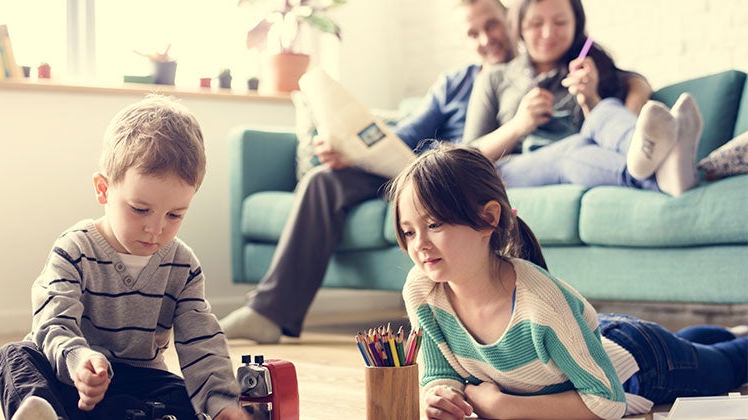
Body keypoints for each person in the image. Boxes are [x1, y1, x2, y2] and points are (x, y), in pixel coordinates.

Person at [219, 0, 653, 345]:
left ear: (511, 20)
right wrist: (349, 150)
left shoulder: (532, 76)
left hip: (455, 181)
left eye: (492, 25)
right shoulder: (456, 83)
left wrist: (632, 93)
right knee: (323, 181)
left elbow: (619, 80)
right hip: (411, 172)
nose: (486, 38)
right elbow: (402, 137)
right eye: (473, 33)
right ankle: (268, 312)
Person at [389, 144, 747, 420]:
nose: (419, 245)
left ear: (488, 219)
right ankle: (722, 333)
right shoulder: (422, 291)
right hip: (590, 341)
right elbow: (440, 371)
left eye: (434, 224)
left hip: (642, 362)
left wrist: (504, 407)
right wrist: (441, 395)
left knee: (728, 365)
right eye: (408, 231)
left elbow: (606, 401)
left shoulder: (542, 304)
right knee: (693, 346)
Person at [0, 96, 248, 420]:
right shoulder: (74, 250)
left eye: (175, 215)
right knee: (13, 356)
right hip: (70, 377)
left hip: (140, 381)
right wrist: (80, 361)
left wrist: (222, 404)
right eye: (140, 209)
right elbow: (53, 323)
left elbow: (202, 342)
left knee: (183, 395)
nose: (155, 229)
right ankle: (43, 414)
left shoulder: (183, 267)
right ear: (103, 189)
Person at [461, 0, 701, 197]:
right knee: (573, 148)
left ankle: (655, 151)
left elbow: (634, 80)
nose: (548, 33)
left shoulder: (588, 66)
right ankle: (662, 174)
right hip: (514, 168)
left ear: (576, 24)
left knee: (604, 110)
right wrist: (518, 125)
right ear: (519, 27)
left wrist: (590, 99)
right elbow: (466, 157)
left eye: (560, 22)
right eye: (536, 24)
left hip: (586, 155)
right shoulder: (495, 78)